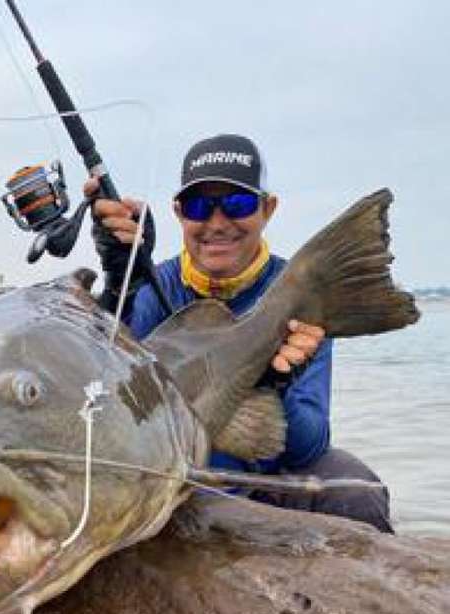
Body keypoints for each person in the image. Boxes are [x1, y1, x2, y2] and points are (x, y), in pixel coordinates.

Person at [86, 133, 393, 533]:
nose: (217, 222)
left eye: (237, 203)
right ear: (179, 213)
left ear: (268, 208)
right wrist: (118, 282)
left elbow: (309, 447)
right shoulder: (150, 289)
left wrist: (277, 383)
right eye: (200, 205)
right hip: (184, 481)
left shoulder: (301, 291)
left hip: (269, 477)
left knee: (356, 489)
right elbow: (105, 402)